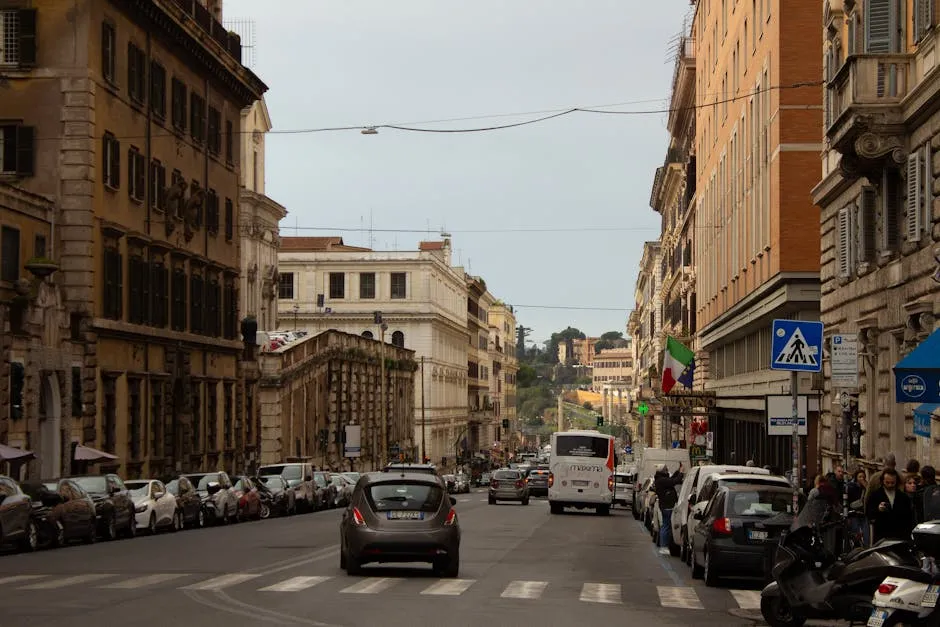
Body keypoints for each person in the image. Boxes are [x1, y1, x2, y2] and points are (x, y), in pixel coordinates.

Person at [866, 468, 915, 543]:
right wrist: (878, 509)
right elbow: (869, 513)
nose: (890, 485)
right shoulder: (875, 495)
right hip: (882, 537)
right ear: (883, 481)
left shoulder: (903, 497)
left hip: (900, 537)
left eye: (892, 483)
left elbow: (909, 518)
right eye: (887, 482)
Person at [654, 463, 685, 555]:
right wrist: (681, 473)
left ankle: (665, 546)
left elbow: (671, 479)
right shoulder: (661, 480)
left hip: (667, 505)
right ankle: (663, 546)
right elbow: (674, 481)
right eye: (666, 469)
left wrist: (677, 471)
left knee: (666, 525)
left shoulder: (661, 479)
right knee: (666, 526)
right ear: (664, 471)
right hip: (667, 506)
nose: (668, 471)